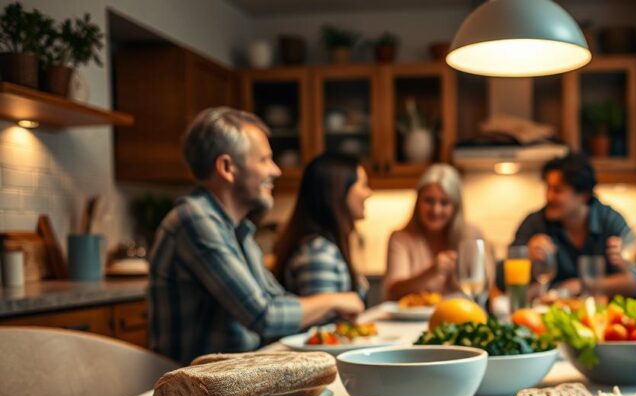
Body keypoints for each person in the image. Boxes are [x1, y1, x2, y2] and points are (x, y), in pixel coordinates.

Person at [148, 107, 364, 363]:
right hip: (193, 387)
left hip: (233, 375)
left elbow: (276, 300)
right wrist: (335, 300)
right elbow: (264, 315)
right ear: (227, 167)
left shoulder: (238, 230)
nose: (276, 171)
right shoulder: (194, 220)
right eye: (264, 159)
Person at [511, 152, 636, 297]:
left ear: (583, 195)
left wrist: (582, 285)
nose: (549, 196)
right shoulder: (535, 223)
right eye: (548, 188)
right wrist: (526, 257)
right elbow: (501, 280)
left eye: (557, 190)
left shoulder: (609, 221)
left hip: (601, 316)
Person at [273, 152, 372, 301]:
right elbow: (323, 321)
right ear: (339, 190)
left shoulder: (325, 247)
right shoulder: (318, 254)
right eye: (363, 185)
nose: (369, 193)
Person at [383, 163, 485, 300]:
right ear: (418, 202)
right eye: (429, 201)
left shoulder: (471, 235)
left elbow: (486, 286)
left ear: (455, 207)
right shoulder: (400, 239)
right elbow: (392, 293)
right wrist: (431, 271)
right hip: (413, 321)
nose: (436, 210)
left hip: (461, 316)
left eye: (444, 203)